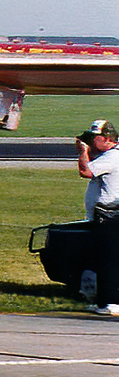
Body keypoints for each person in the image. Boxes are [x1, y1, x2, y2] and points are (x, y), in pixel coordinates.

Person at [77, 119, 119, 315]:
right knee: (104, 259)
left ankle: (111, 302)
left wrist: (82, 152)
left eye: (94, 138)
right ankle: (104, 301)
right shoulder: (111, 156)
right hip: (108, 214)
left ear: (106, 138)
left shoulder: (111, 158)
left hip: (110, 216)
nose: (92, 142)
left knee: (108, 260)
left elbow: (85, 171)